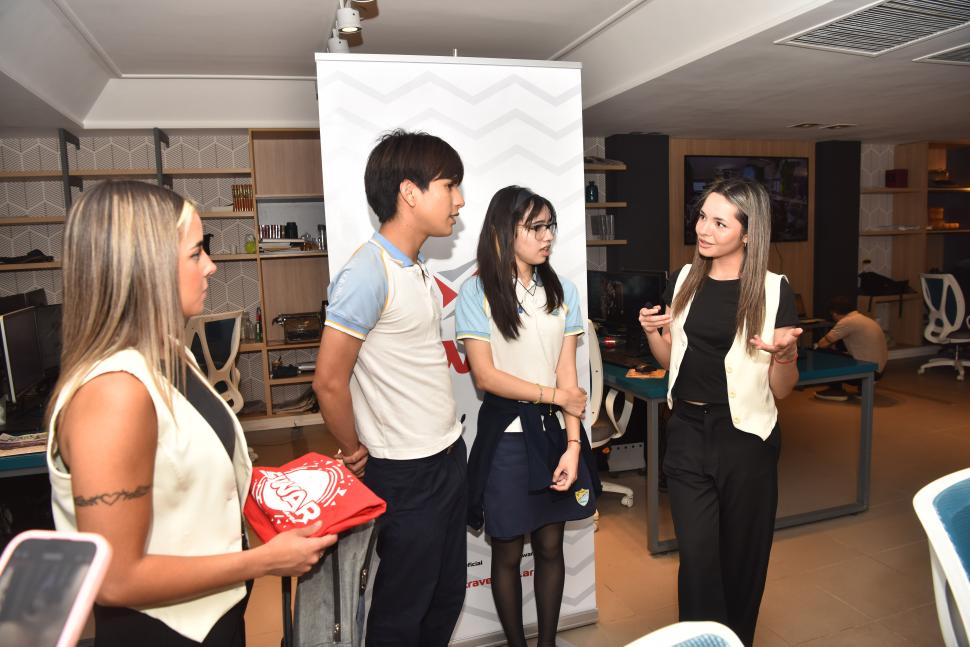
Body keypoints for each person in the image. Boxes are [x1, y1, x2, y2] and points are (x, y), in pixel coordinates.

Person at [45, 180, 335, 647]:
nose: (212, 266)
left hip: (217, 612)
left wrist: (294, 487)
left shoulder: (170, 353)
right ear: (146, 267)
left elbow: (188, 474)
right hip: (163, 633)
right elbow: (117, 579)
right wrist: (264, 561)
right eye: (197, 253)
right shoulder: (114, 393)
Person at [313, 130, 467, 647]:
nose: (460, 200)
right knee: (402, 611)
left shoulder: (416, 268)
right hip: (404, 470)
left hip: (446, 454)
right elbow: (329, 380)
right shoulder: (367, 271)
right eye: (450, 186)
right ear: (410, 192)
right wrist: (355, 450)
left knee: (446, 597)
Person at [639, 177, 801, 646]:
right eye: (701, 216)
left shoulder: (774, 291)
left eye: (718, 221)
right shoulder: (684, 280)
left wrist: (783, 355)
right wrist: (654, 332)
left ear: (749, 233)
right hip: (688, 432)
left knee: (743, 561)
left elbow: (784, 390)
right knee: (698, 562)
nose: (702, 229)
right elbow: (672, 362)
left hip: (747, 437)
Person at [456, 186, 598, 647]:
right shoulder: (476, 292)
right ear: (505, 229)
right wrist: (552, 396)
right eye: (535, 227)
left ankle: (548, 644)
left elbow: (569, 377)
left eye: (549, 226)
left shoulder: (563, 290)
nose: (546, 236)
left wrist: (574, 446)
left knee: (552, 547)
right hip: (507, 439)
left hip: (555, 434)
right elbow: (485, 376)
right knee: (507, 551)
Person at [813, 295, 887, 401]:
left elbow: (822, 344)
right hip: (879, 370)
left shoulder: (846, 322)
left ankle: (836, 390)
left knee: (821, 352)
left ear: (834, 313)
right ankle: (863, 388)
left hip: (869, 370)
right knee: (842, 354)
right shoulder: (863, 318)